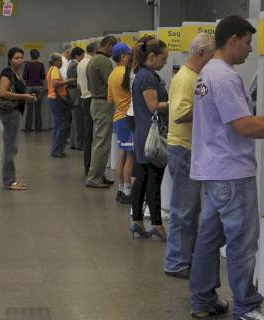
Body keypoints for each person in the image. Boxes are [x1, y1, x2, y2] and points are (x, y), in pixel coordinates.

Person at [189, 16, 264, 320]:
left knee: (208, 241)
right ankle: (246, 307)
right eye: (247, 43)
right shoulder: (225, 77)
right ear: (233, 39)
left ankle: (203, 301)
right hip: (233, 173)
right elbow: (244, 126)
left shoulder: (207, 72)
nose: (249, 50)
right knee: (242, 244)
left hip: (213, 171)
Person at [164, 33, 215, 280]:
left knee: (189, 209)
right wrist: (210, 105)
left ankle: (184, 258)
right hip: (184, 150)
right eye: (213, 52)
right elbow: (180, 114)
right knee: (183, 210)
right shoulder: (186, 79)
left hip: (187, 149)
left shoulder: (192, 76)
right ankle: (176, 262)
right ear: (201, 52)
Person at [129, 36, 168, 241]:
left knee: (143, 178)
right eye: (163, 58)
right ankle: (157, 224)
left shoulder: (141, 74)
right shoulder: (148, 77)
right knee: (154, 179)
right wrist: (176, 102)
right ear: (152, 56)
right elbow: (153, 106)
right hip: (152, 135)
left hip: (143, 132)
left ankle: (137, 220)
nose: (166, 62)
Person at [0, 47, 36, 190]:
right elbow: (2, 92)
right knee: (10, 147)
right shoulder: (7, 72)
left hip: (15, 112)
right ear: (9, 60)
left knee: (11, 147)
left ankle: (10, 179)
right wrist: (23, 97)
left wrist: (28, 96)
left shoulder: (16, 73)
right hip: (10, 113)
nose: (20, 60)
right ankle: (9, 181)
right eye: (16, 58)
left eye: (21, 57)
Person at [85, 35, 118, 188]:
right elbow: (110, 82)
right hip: (103, 103)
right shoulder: (104, 61)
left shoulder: (93, 59)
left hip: (96, 102)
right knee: (102, 142)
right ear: (109, 45)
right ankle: (94, 177)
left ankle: (98, 174)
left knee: (99, 141)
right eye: (114, 48)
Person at [108, 42, 134, 204]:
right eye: (130, 55)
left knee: (122, 154)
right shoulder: (127, 73)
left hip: (118, 116)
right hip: (127, 118)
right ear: (123, 56)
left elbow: (110, 99)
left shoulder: (112, 74)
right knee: (131, 155)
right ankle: (128, 191)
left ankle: (121, 188)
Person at [47, 53, 75, 158]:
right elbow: (55, 84)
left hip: (53, 99)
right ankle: (57, 150)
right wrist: (69, 81)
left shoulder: (51, 69)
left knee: (59, 125)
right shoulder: (54, 69)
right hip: (57, 99)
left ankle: (56, 149)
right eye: (60, 60)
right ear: (55, 61)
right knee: (63, 125)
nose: (62, 62)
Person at [77, 41, 98, 175]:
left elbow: (79, 84)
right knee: (94, 136)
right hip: (92, 98)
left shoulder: (80, 63)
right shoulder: (91, 64)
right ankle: (91, 167)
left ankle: (87, 166)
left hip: (84, 98)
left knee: (88, 134)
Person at [23, 49, 46, 132]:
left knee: (29, 110)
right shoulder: (41, 65)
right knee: (38, 109)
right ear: (38, 55)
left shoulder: (27, 65)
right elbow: (43, 76)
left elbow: (24, 77)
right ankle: (38, 129)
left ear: (30, 55)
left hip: (29, 87)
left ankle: (28, 129)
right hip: (39, 87)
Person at [67, 46, 85, 151]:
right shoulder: (75, 65)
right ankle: (79, 143)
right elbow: (74, 81)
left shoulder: (71, 64)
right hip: (75, 95)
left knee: (75, 121)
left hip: (73, 94)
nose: (83, 58)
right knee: (78, 121)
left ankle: (74, 142)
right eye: (82, 56)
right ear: (77, 56)